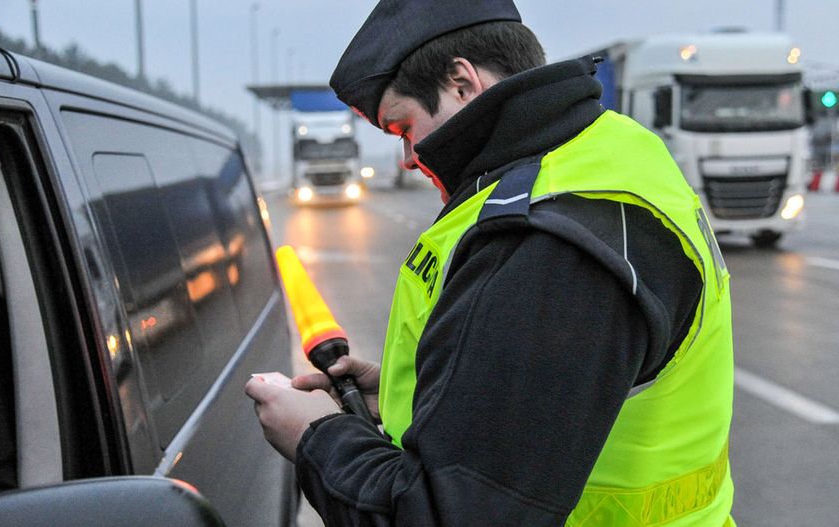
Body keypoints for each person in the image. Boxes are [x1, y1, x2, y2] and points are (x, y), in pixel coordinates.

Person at [245, 1, 736, 525]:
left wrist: (316, 438)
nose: (409, 156)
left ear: (462, 82)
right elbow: (546, 403)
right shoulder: (611, 153)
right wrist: (406, 398)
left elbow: (451, 513)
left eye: (405, 127)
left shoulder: (549, 240)